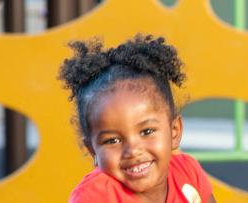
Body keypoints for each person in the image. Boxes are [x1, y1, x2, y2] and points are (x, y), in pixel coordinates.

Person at [63, 34, 214, 203]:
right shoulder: (96, 197)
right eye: (112, 140)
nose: (133, 151)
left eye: (147, 131)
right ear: (92, 150)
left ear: (174, 131)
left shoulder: (187, 172)